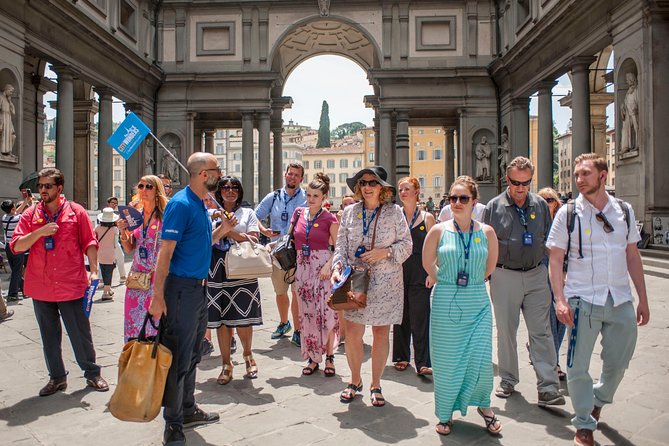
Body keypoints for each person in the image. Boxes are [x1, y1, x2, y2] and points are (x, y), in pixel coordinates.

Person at [547, 153, 650, 446]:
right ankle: (583, 423)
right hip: (581, 298)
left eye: (585, 174)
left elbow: (632, 255)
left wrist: (642, 298)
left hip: (619, 298)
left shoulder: (624, 211)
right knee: (576, 366)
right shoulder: (568, 214)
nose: (579, 180)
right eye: (577, 175)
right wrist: (560, 298)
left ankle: (599, 399)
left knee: (619, 361)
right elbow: (556, 259)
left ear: (603, 175)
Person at [150, 153, 236, 445]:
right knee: (177, 358)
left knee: (194, 353)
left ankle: (187, 409)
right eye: (216, 170)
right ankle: (172, 424)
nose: (220, 175)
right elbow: (165, 252)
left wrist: (222, 231)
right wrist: (157, 296)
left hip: (199, 289)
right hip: (180, 290)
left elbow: (201, 242)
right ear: (203, 174)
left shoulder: (200, 204)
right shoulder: (180, 204)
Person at [10, 167, 109, 396]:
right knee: (49, 336)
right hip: (41, 285)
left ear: (59, 188)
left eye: (47, 186)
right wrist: (39, 233)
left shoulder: (76, 211)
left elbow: (89, 242)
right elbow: (16, 246)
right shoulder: (31, 214)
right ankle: (57, 378)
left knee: (79, 333)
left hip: (71, 283)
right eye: (40, 186)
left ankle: (92, 373)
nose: (42, 190)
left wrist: (94, 271)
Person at [483, 156, 564, 406]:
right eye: (516, 183)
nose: (521, 188)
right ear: (507, 180)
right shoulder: (493, 207)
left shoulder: (540, 205)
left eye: (526, 183)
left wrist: (556, 276)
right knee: (506, 331)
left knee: (542, 331)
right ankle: (508, 379)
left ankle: (548, 386)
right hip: (504, 274)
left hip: (536, 274)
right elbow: (485, 244)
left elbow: (549, 241)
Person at [423, 175, 501, 436]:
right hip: (446, 300)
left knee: (480, 360)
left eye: (462, 198)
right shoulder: (439, 230)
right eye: (452, 197)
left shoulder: (487, 232)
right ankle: (445, 413)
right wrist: (442, 277)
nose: (456, 202)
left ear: (474, 202)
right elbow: (427, 262)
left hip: (477, 301)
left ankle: (485, 406)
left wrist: (477, 279)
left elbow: (490, 267)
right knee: (446, 362)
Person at [331, 166, 412, 407]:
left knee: (379, 333)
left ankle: (376, 384)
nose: (367, 187)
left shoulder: (394, 212)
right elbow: (341, 247)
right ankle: (355, 381)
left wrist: (384, 253)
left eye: (372, 183)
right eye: (363, 182)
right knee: (354, 333)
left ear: (382, 188)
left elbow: (407, 246)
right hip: (356, 281)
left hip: (386, 282)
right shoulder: (349, 213)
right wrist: (337, 267)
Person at [207, 176, 263, 386]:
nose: (230, 191)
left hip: (242, 268)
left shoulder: (247, 213)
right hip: (216, 269)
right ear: (219, 191)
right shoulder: (211, 212)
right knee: (222, 319)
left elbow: (255, 238)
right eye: (225, 187)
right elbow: (207, 238)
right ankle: (226, 363)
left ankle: (248, 355)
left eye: (234, 188)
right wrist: (223, 227)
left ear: (239, 192)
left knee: (244, 317)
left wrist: (227, 229)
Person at [292, 173, 340, 376]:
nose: (311, 199)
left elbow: (339, 248)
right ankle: (312, 357)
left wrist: (329, 265)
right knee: (307, 315)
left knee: (326, 314)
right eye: (308, 195)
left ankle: (329, 356)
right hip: (302, 269)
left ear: (324, 197)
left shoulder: (331, 218)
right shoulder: (298, 213)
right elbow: (291, 239)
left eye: (315, 195)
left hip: (322, 270)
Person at [255, 163, 307, 346]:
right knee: (280, 292)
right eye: (290, 174)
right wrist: (264, 231)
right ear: (285, 175)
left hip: (298, 251)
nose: (292, 177)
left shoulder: (306, 198)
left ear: (301, 178)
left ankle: (299, 330)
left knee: (296, 292)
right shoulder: (273, 196)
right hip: (277, 252)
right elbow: (255, 216)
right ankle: (284, 323)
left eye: (296, 175)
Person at [392, 177, 436, 375]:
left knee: (420, 317)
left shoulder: (427, 218)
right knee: (400, 316)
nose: (402, 192)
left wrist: (432, 272)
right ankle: (401, 356)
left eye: (407, 189)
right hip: (398, 270)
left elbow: (435, 248)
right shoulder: (395, 216)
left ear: (417, 191)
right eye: (400, 189)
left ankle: (423, 361)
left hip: (420, 271)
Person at [117, 175, 168, 342]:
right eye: (141, 186)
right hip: (138, 278)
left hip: (157, 277)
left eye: (149, 187)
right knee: (134, 328)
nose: (144, 190)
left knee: (156, 325)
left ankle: (155, 359)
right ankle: (136, 357)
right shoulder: (136, 217)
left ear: (157, 190)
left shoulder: (165, 216)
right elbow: (130, 248)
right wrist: (123, 232)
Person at [537, 187, 566, 380]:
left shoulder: (564, 221)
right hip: (541, 272)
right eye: (543, 200)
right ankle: (553, 362)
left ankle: (547, 355)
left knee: (562, 319)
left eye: (550, 199)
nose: (547, 202)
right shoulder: (534, 222)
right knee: (549, 316)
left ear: (556, 202)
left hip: (562, 272)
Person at [2, 197, 32, 300]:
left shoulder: (5, 217)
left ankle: (24, 291)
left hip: (8, 247)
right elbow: (22, 215)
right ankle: (12, 294)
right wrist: (31, 204)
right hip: (17, 246)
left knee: (16, 270)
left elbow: (15, 213)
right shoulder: (18, 218)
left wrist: (25, 202)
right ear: (12, 208)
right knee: (17, 271)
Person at [94, 208, 120, 301]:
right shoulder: (115, 229)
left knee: (103, 270)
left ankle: (108, 289)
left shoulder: (97, 227)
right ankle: (106, 292)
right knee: (109, 272)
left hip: (100, 252)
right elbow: (115, 243)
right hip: (110, 253)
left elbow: (95, 238)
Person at [106, 197, 127, 284]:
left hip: (114, 239)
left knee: (119, 256)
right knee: (104, 259)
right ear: (108, 203)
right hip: (108, 239)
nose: (114, 205)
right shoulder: (105, 213)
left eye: (116, 203)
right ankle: (122, 276)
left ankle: (122, 276)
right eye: (113, 203)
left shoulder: (116, 215)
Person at [0, 84, 16, 155]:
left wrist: (10, 102)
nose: (11, 93)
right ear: (6, 90)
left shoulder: (8, 100)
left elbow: (13, 112)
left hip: (8, 119)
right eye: (11, 91)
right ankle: (1, 151)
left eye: (12, 92)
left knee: (13, 136)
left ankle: (9, 151)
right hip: (3, 117)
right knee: (2, 134)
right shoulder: (1, 97)